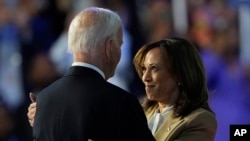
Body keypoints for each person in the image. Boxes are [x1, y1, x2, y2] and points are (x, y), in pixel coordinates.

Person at [28, 7, 155, 141]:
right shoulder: (121, 103)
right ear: (109, 48)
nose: (120, 52)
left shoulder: (43, 102)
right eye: (119, 45)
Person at [133, 37, 217, 141]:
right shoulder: (139, 113)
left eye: (154, 68)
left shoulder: (200, 120)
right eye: (144, 69)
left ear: (179, 74)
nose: (145, 77)